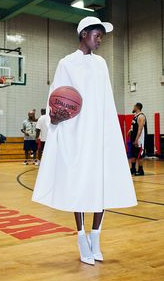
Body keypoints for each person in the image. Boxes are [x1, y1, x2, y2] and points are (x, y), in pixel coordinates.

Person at [32, 16, 137, 265]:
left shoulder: (101, 64)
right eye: (96, 35)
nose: (100, 40)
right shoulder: (66, 63)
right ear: (83, 34)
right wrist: (54, 120)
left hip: (100, 131)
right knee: (79, 184)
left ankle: (96, 237)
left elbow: (106, 101)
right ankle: (81, 237)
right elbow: (55, 98)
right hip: (76, 132)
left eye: (102, 36)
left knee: (101, 184)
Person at [129, 103, 147, 176]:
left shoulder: (141, 116)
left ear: (137, 107)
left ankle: (140, 170)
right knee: (133, 154)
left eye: (134, 106)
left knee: (139, 155)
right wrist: (130, 130)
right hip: (133, 138)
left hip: (139, 140)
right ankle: (133, 169)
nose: (133, 107)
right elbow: (135, 127)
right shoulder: (135, 116)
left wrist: (136, 140)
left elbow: (140, 129)